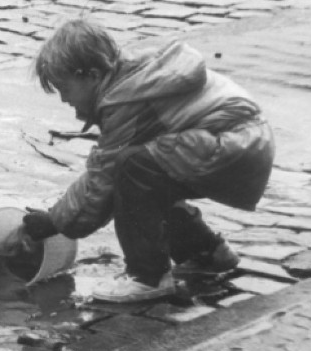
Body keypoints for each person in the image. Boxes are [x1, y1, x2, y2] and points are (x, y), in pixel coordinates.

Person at [18, 17, 275, 303]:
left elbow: (102, 181)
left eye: (65, 88)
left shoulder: (126, 102)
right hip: (246, 142)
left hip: (236, 147)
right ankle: (206, 253)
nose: (64, 99)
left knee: (131, 168)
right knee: (149, 175)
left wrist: (54, 221)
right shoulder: (132, 81)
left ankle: (148, 277)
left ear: (91, 76)